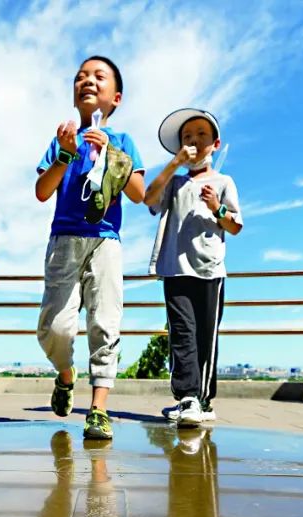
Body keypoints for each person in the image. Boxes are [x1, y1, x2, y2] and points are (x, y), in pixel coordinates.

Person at [35, 56, 145, 440]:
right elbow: (42, 191)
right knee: (55, 327)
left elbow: (138, 194)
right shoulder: (62, 139)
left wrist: (114, 155)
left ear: (116, 97)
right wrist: (66, 153)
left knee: (105, 321)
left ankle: (99, 408)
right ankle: (66, 375)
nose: (88, 81)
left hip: (106, 239)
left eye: (99, 77)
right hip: (63, 240)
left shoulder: (123, 140)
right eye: (80, 76)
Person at [144, 108, 243, 428]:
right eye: (187, 137)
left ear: (216, 144)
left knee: (205, 336)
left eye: (201, 135)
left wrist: (218, 207)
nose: (194, 141)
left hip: (211, 270)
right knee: (181, 333)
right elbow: (149, 198)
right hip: (175, 268)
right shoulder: (174, 182)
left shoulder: (224, 182)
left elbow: (235, 226)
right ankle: (187, 397)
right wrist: (173, 165)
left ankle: (203, 400)